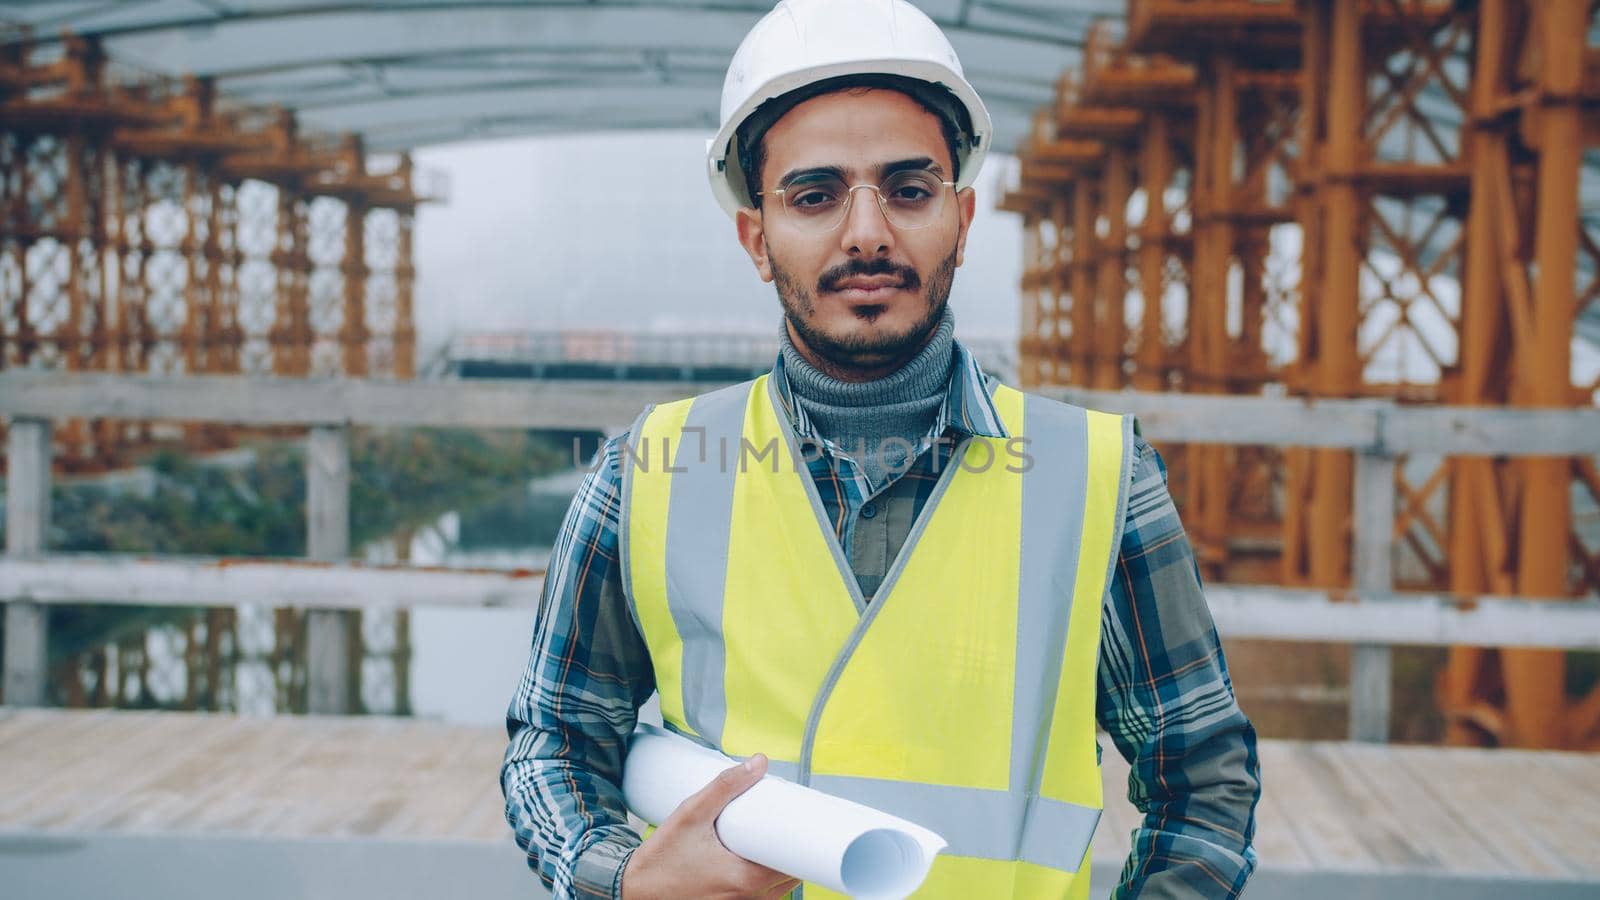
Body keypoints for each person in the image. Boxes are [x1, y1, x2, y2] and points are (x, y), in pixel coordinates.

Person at [501, 1, 1260, 897]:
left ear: (963, 218)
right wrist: (619, 879)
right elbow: (553, 742)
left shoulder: (1097, 476)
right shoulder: (648, 471)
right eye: (815, 195)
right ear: (757, 238)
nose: (867, 233)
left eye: (908, 190)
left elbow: (1203, 776)